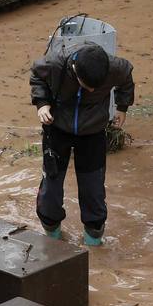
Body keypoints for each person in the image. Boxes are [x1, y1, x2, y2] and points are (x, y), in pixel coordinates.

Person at [30, 41, 134, 246]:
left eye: (98, 85)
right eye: (89, 86)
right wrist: (42, 104)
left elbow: (127, 80)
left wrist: (122, 107)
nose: (93, 89)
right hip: (57, 127)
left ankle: (94, 238)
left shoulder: (115, 67)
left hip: (93, 131)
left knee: (93, 189)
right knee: (51, 187)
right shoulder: (55, 63)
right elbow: (37, 76)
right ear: (75, 71)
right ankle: (52, 237)